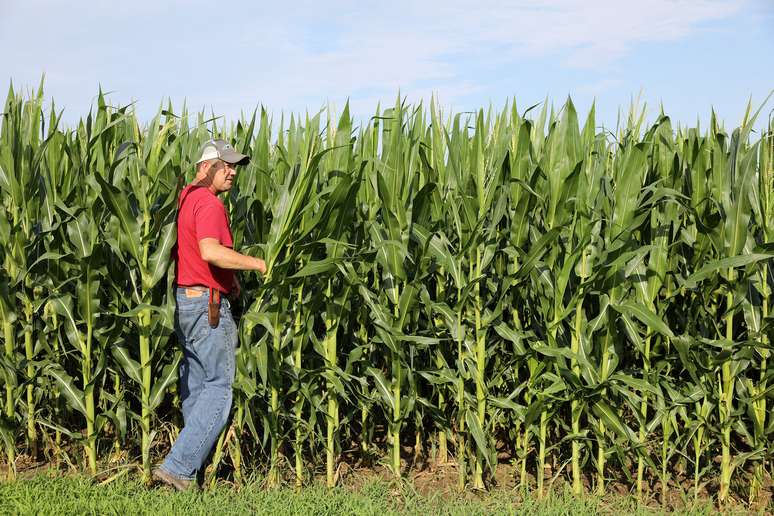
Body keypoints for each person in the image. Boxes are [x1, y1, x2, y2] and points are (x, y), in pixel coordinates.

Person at [153, 139, 266, 491]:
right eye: (225, 165)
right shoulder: (210, 203)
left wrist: (230, 284)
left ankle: (189, 475)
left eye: (235, 166)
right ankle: (179, 467)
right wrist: (257, 263)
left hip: (187, 302)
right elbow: (211, 251)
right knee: (219, 388)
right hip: (208, 307)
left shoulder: (187, 198)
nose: (232, 172)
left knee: (198, 390)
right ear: (207, 167)